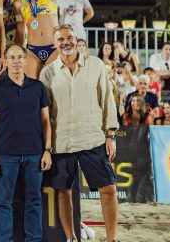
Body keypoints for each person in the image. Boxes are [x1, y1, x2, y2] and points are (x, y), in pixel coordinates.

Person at [40, 25, 120, 242]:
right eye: (60, 39)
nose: (65, 42)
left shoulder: (95, 65)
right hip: (62, 142)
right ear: (54, 44)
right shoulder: (47, 73)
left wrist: (111, 134)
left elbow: (107, 100)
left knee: (109, 189)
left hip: (92, 138)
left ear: (76, 40)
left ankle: (112, 239)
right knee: (63, 192)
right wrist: (47, 147)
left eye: (69, 37)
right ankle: (71, 238)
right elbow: (45, 114)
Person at [0, 44, 52, 242]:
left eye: (20, 57)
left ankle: (34, 239)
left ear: (25, 60)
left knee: (34, 201)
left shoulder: (38, 87)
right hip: (6, 155)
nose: (16, 61)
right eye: (12, 58)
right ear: (5, 62)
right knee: (3, 203)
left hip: (35, 154)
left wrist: (47, 150)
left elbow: (46, 121)